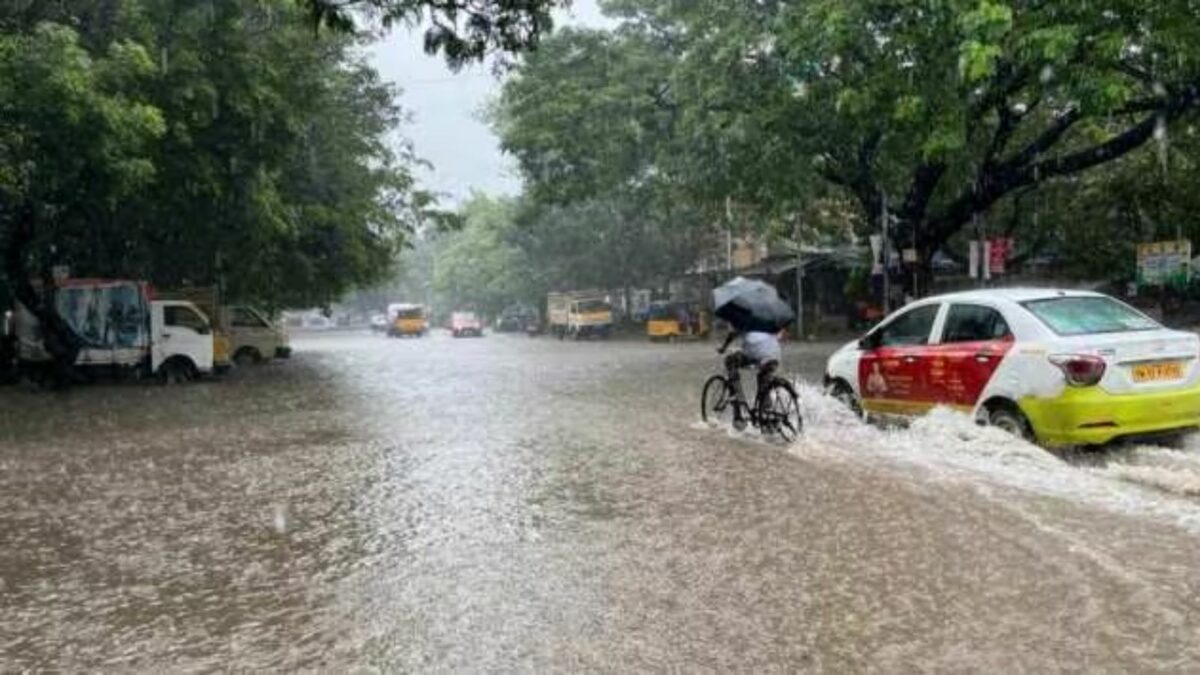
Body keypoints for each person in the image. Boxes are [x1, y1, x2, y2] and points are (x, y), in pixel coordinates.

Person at [717, 327, 782, 429]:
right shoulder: (769, 318)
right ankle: (766, 411)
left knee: (729, 361)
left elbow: (733, 333)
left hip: (755, 354)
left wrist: (723, 348)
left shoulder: (746, 316)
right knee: (764, 378)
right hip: (774, 354)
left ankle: (738, 408)